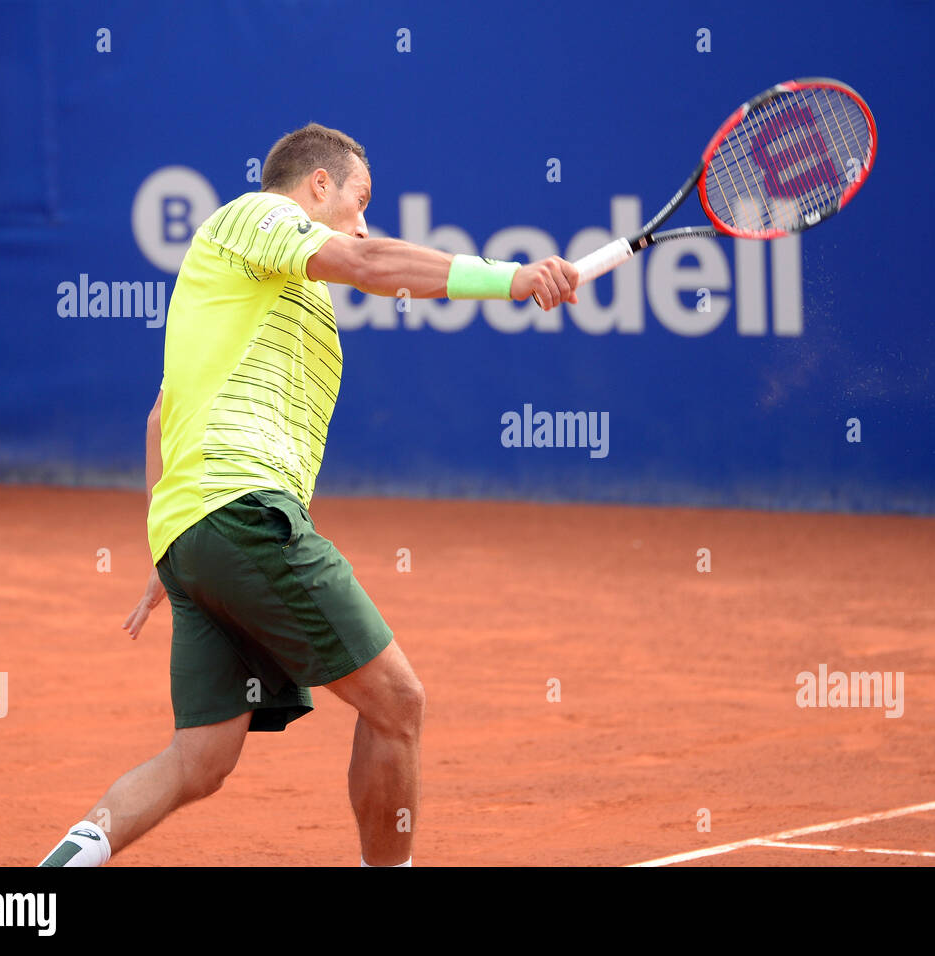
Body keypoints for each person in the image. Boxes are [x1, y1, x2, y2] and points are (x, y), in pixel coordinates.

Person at [37, 122, 579, 867]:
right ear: (316, 184)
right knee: (398, 703)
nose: (363, 221)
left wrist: (170, 544)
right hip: (246, 513)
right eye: (359, 200)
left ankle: (48, 878)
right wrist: (509, 278)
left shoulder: (272, 296)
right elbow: (365, 260)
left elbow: (162, 417)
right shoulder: (255, 216)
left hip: (199, 531)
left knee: (199, 760)